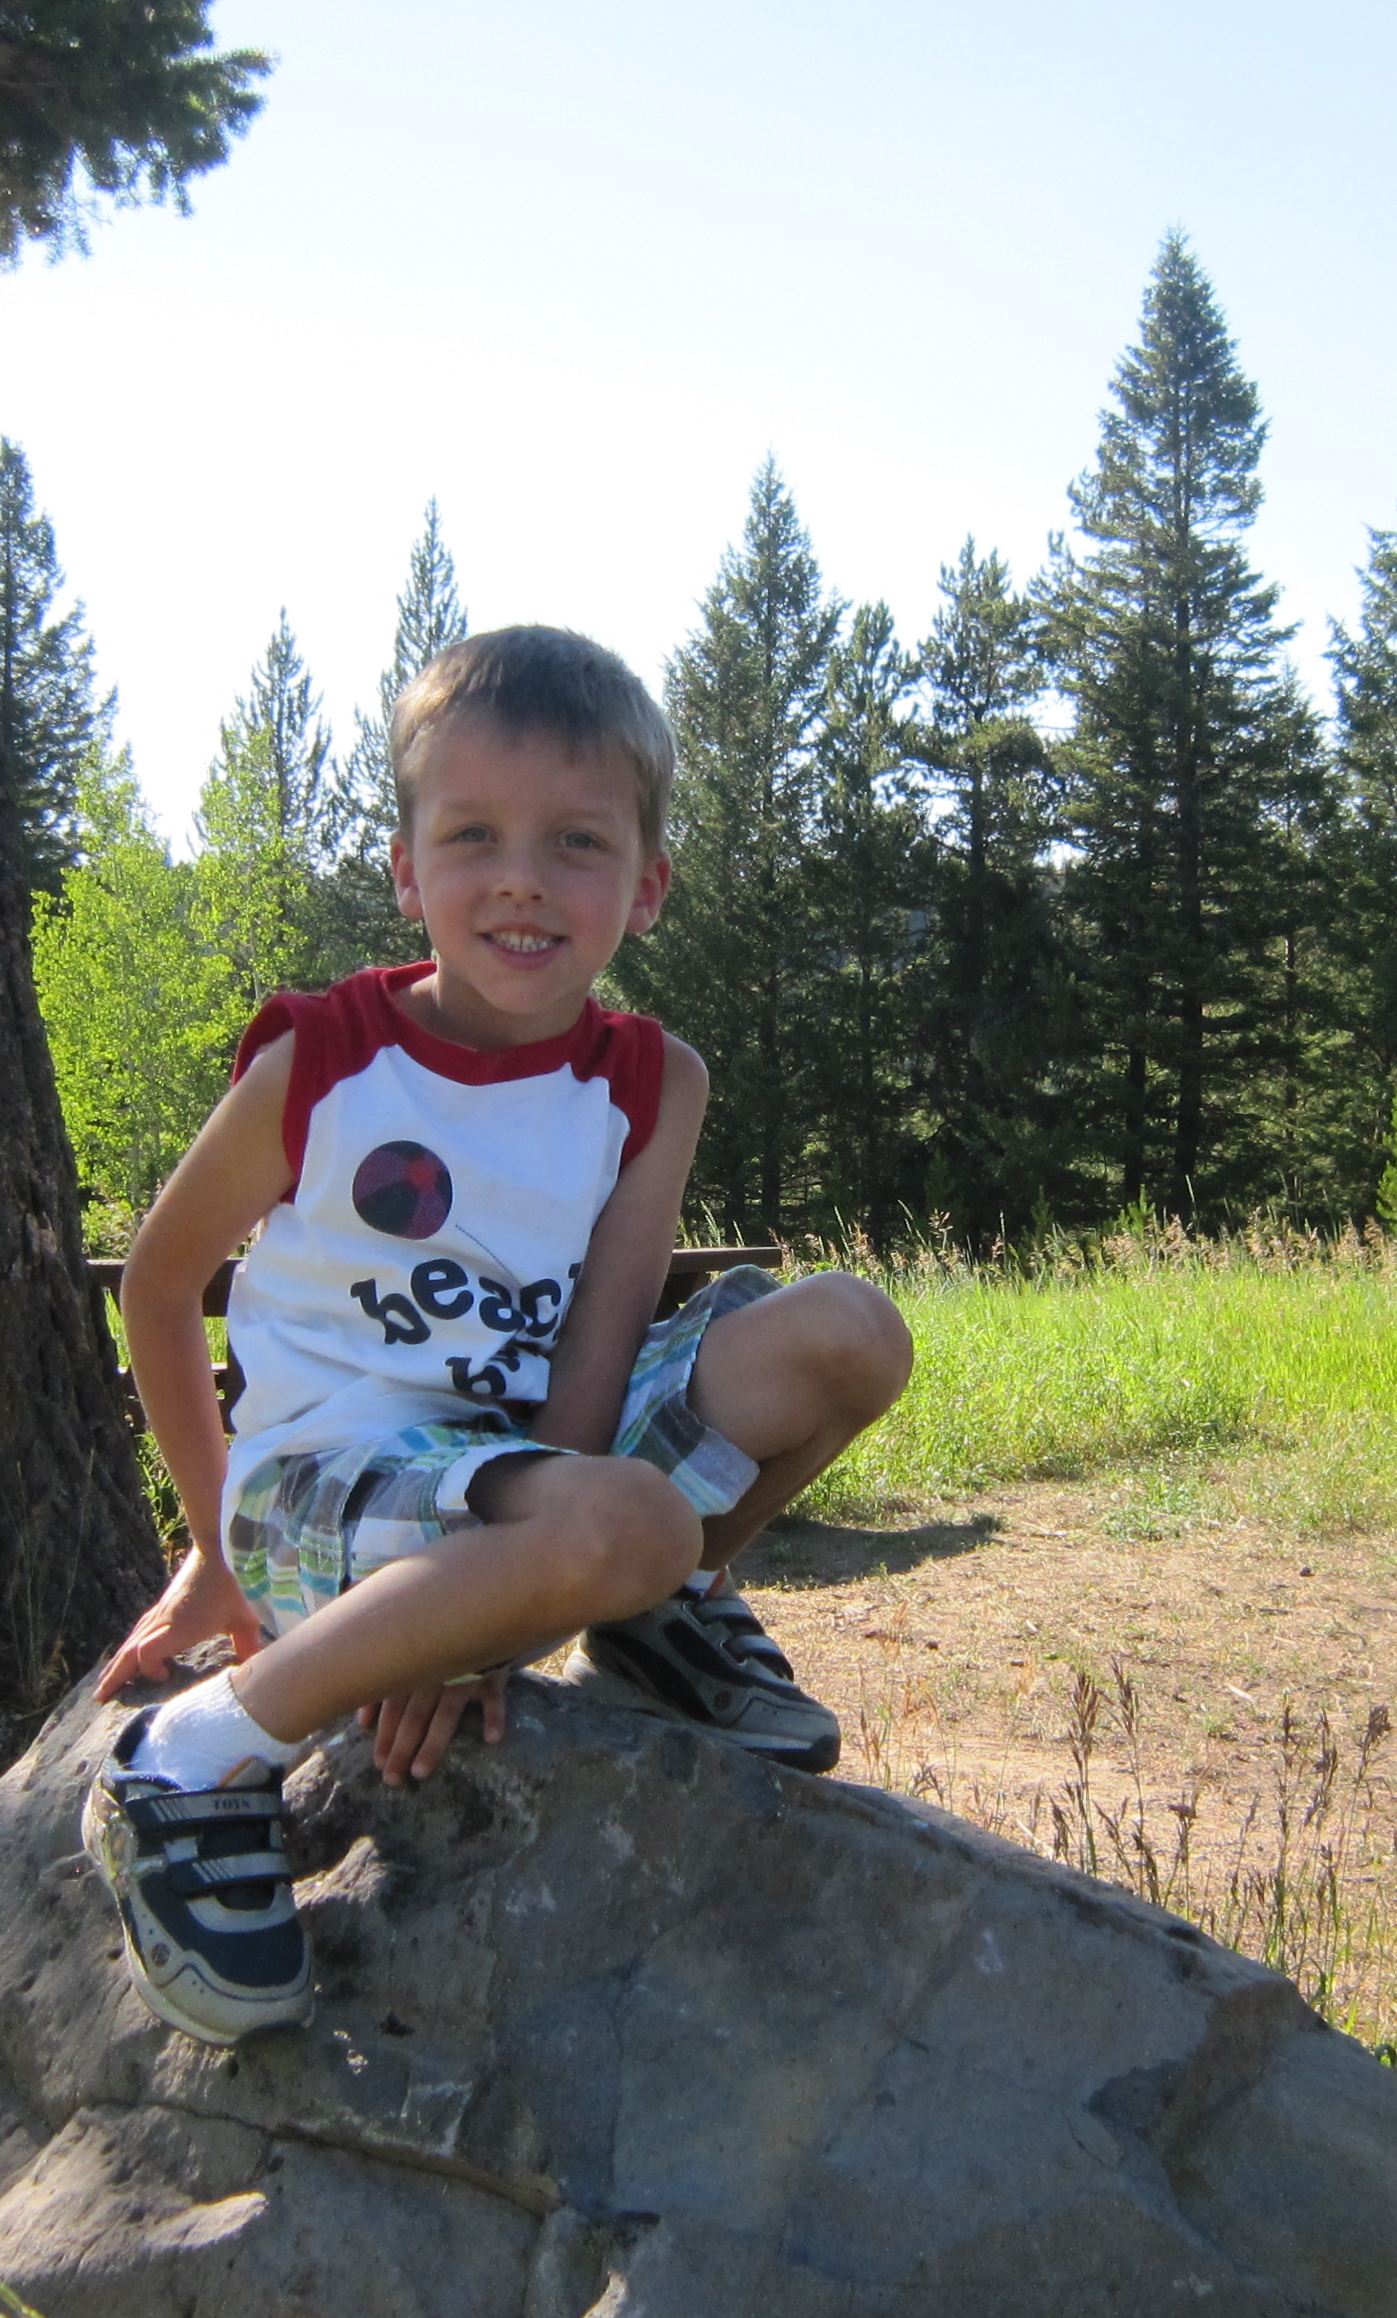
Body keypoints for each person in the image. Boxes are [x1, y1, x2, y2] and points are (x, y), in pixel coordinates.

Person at [87, 624, 914, 2045]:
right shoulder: (325, 1060)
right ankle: (189, 1761)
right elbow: (159, 1285)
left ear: (645, 885)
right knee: (626, 1520)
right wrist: (216, 1549)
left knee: (850, 1331)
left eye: (576, 842)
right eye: (472, 834)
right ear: (406, 870)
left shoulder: (652, 1080)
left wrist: (512, 1615)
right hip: (328, 1488)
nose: (522, 877)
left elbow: (607, 1326)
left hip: (528, 1475)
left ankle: (646, 1614)